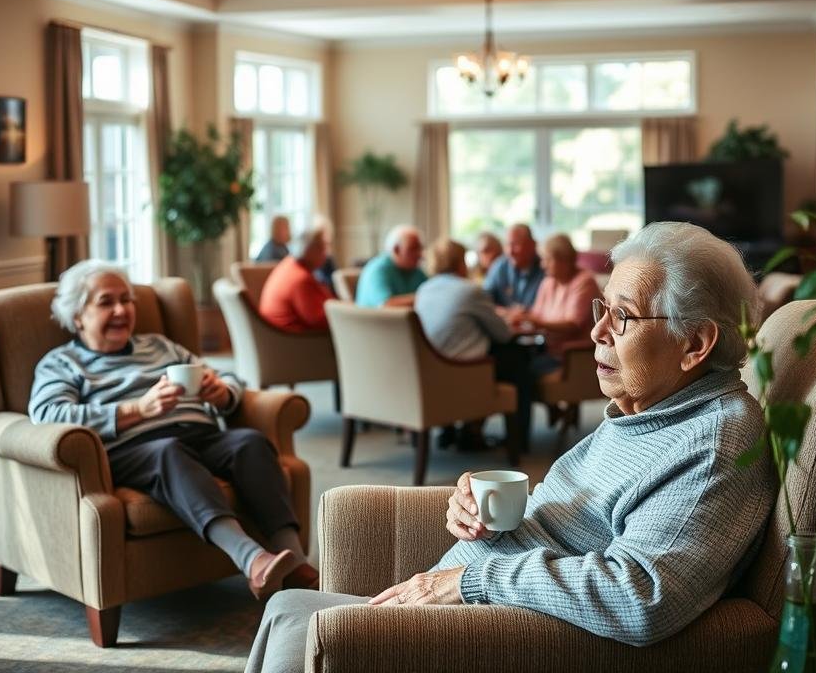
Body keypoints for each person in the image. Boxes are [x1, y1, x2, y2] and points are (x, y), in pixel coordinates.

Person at [243, 221, 776, 672]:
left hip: (496, 634)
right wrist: (480, 508)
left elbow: (642, 597)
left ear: (695, 344)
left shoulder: (713, 443)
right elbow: (567, 522)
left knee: (293, 618)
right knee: (287, 611)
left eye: (625, 317)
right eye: (602, 309)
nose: (597, 333)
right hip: (460, 602)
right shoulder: (652, 412)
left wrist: (473, 580)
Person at [29, 260, 318, 601]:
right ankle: (253, 561)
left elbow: (226, 378)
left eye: (127, 299)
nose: (122, 310)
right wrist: (137, 409)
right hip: (136, 448)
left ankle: (294, 562)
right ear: (77, 316)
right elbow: (47, 413)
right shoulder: (62, 362)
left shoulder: (160, 345)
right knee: (168, 452)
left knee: (250, 443)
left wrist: (221, 392)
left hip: (200, 434)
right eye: (107, 302)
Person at [414, 237, 530, 452]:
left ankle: (461, 431)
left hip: (428, 370)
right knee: (518, 357)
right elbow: (502, 334)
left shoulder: (424, 289)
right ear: (460, 262)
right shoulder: (469, 291)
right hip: (462, 372)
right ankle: (519, 441)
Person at [526, 233, 603, 374]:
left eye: (548, 260)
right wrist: (521, 318)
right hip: (549, 351)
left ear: (564, 260)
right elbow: (535, 315)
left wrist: (535, 322)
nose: (543, 265)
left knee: (521, 369)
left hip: (572, 358)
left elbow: (573, 325)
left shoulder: (585, 281)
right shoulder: (548, 282)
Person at [259, 225, 335, 332]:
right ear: (311, 249)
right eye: (323, 247)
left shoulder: (288, 265)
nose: (326, 254)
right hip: (295, 343)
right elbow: (321, 321)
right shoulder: (301, 279)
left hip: (280, 339)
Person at [483, 223, 544, 326]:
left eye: (516, 244)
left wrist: (526, 315)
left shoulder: (546, 268)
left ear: (532, 245)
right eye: (508, 245)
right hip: (504, 332)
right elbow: (483, 303)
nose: (510, 251)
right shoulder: (499, 266)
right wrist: (508, 312)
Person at [355, 224, 427, 308]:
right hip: (377, 321)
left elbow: (433, 290)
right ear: (396, 250)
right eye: (413, 249)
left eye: (420, 248)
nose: (420, 254)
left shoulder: (415, 270)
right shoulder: (378, 269)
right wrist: (425, 297)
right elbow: (386, 304)